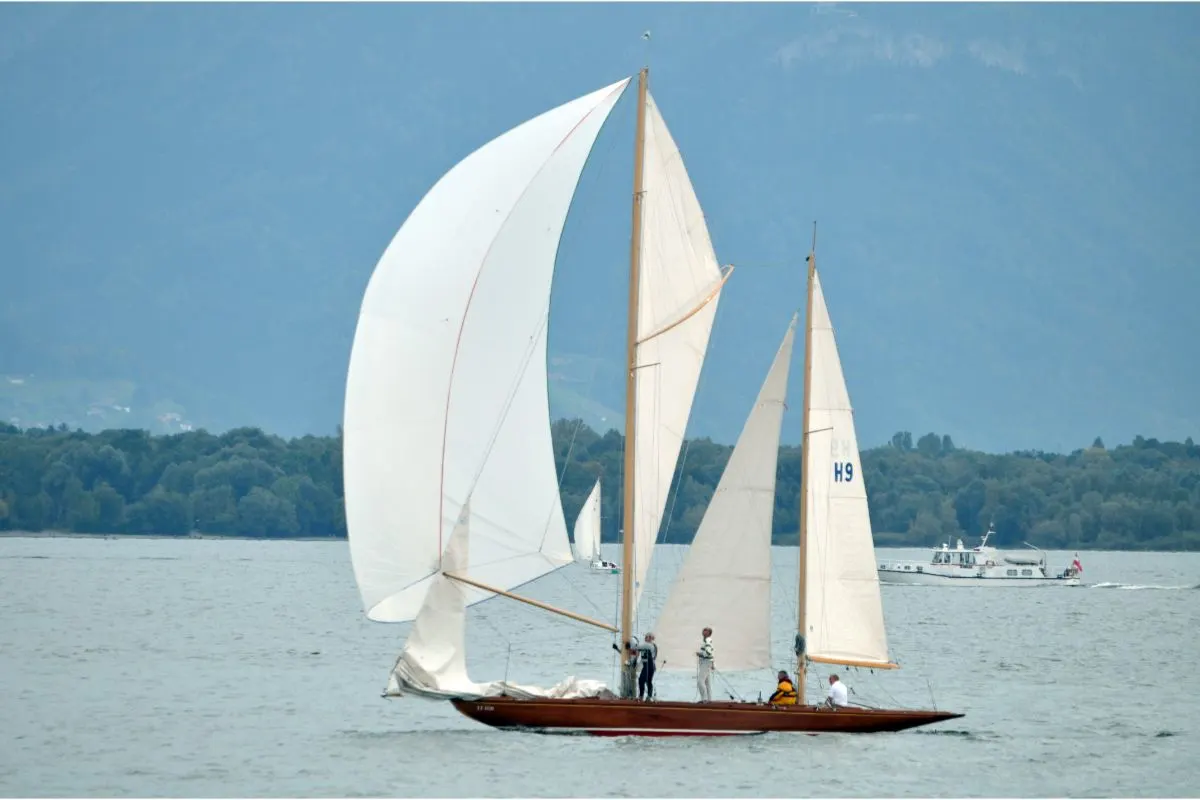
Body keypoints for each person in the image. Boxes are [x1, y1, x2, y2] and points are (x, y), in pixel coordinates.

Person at [635, 633, 657, 701]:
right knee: (642, 680)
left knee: (646, 681)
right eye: (646, 637)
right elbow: (638, 650)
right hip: (646, 665)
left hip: (650, 665)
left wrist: (633, 645)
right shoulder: (645, 646)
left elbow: (638, 647)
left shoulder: (651, 646)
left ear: (652, 638)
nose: (647, 638)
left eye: (649, 637)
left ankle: (648, 696)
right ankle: (643, 696)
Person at [695, 627, 714, 702]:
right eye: (703, 630)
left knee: (700, 681)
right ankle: (709, 699)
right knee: (707, 682)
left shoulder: (707, 641)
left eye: (705, 630)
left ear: (708, 633)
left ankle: (704, 699)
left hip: (705, 663)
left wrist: (700, 654)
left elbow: (708, 653)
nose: (703, 631)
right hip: (707, 663)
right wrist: (712, 663)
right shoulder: (706, 641)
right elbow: (712, 652)